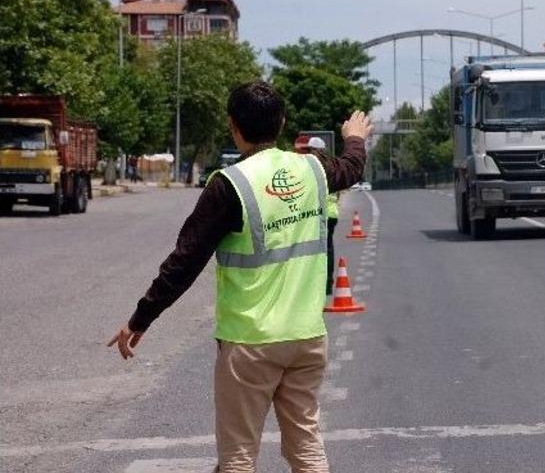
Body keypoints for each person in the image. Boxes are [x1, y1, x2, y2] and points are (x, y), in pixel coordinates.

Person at [107, 80, 373, 473]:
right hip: (306, 337)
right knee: (306, 448)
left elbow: (185, 261)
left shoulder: (229, 185)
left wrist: (141, 318)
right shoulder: (313, 168)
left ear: (233, 126)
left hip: (249, 343)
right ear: (281, 122)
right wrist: (354, 137)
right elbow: (351, 167)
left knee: (237, 457)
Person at [306, 137, 340, 295]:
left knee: (314, 250)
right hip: (332, 213)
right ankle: (328, 283)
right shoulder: (333, 165)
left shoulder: (312, 166)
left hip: (318, 213)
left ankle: (315, 284)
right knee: (328, 248)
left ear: (313, 150)